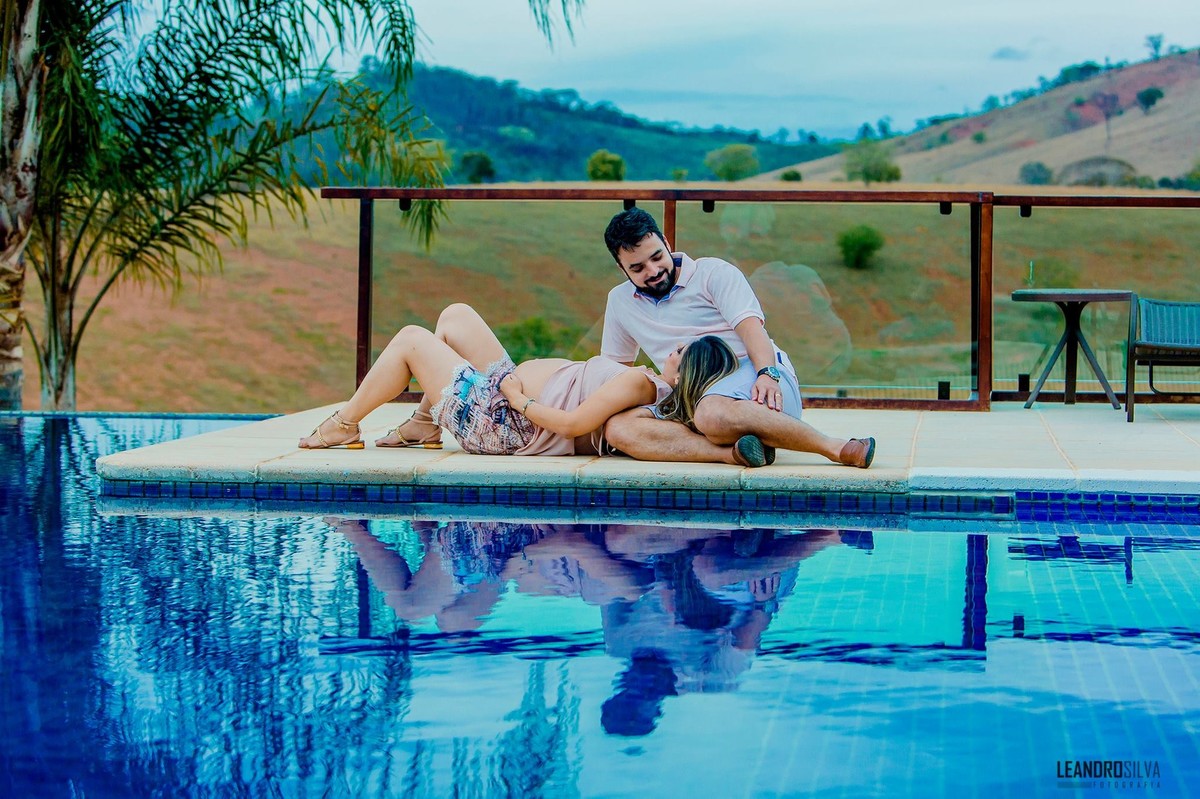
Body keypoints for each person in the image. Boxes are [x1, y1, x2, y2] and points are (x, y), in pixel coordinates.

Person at [298, 303, 771, 465]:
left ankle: (344, 424)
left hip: (504, 422)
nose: (672, 349)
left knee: (410, 340)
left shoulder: (640, 386)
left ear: (686, 373)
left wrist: (517, 398)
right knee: (455, 316)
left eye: (681, 351)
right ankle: (424, 423)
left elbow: (572, 425)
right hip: (505, 397)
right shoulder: (648, 383)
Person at [599, 208, 877, 468]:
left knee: (711, 413)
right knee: (618, 429)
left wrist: (767, 374)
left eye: (657, 257)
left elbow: (752, 330)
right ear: (621, 268)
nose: (653, 271)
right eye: (637, 268)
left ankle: (835, 447)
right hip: (686, 394)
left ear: (667, 243)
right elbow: (616, 370)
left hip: (750, 376)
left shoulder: (713, 273)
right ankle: (733, 453)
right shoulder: (619, 301)